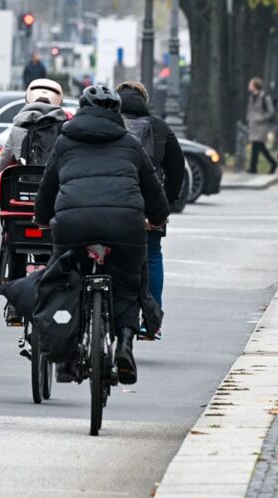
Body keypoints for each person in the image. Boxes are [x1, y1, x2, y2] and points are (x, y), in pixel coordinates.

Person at [35, 85, 170, 385]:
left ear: (82, 109)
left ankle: (67, 357)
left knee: (65, 280)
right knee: (129, 281)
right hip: (124, 223)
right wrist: (158, 217)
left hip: (73, 223)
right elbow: (152, 190)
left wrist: (42, 218)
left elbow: (48, 186)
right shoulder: (130, 143)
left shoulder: (65, 141)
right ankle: (124, 342)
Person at [116, 81, 186, 339]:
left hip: (113, 204)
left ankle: (108, 313)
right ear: (143, 101)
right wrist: (168, 201)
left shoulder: (106, 121)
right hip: (148, 204)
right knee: (152, 256)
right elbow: (177, 167)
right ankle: (152, 319)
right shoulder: (159, 127)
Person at [0, 78, 68, 173]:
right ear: (60, 100)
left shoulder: (18, 128)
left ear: (27, 97)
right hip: (54, 186)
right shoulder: (65, 128)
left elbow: (3, 164)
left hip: (23, 184)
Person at [246, 77, 278, 174]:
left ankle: (253, 168)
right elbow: (250, 110)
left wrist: (261, 118)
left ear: (255, 86)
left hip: (261, 127)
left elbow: (271, 111)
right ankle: (272, 163)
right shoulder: (251, 98)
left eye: (250, 84)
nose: (249, 86)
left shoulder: (265, 98)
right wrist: (248, 118)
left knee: (257, 146)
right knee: (260, 147)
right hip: (253, 126)